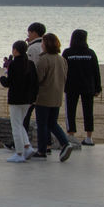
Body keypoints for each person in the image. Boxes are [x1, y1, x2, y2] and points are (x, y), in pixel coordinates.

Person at [34, 33, 77, 161]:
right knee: (52, 122)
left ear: (46, 44)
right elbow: (65, 76)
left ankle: (42, 150)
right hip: (57, 95)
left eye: (43, 43)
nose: (41, 45)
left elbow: (39, 78)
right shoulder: (61, 59)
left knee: (42, 124)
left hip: (44, 96)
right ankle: (65, 143)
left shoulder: (44, 59)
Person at [0, 40, 37, 162]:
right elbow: (35, 83)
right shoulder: (30, 64)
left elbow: (9, 83)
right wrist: (33, 98)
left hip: (16, 99)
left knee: (15, 125)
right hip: (27, 100)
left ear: (16, 50)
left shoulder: (14, 64)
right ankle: (27, 147)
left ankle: (19, 153)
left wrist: (2, 79)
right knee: (20, 123)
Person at [63, 29, 101, 147]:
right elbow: (96, 71)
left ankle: (71, 135)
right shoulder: (90, 53)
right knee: (88, 111)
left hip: (71, 86)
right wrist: (98, 88)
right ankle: (89, 137)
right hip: (88, 86)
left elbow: (62, 70)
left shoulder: (67, 53)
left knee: (70, 111)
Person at [22, 22, 47, 136]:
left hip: (33, 86)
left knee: (25, 115)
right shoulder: (45, 45)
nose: (28, 35)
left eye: (29, 33)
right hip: (45, 85)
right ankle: (47, 142)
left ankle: (22, 140)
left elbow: (31, 67)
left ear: (34, 33)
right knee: (43, 117)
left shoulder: (32, 48)